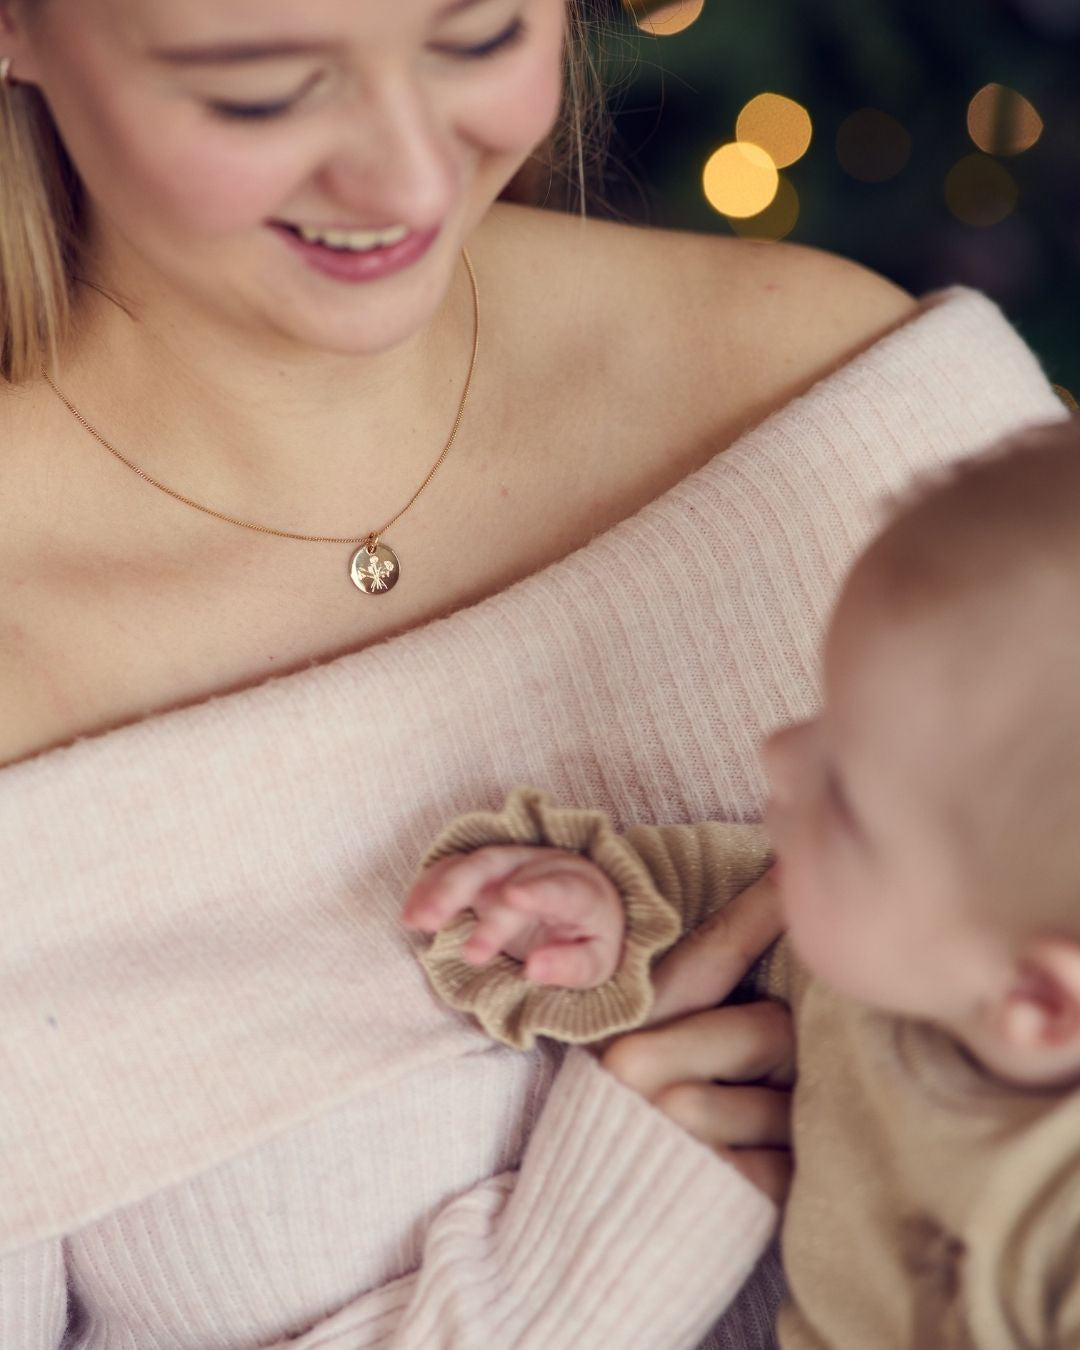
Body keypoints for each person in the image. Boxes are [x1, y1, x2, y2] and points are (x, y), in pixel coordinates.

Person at [0, 0, 1065, 1344]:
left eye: (478, 36)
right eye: (261, 90)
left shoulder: (844, 406)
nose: (402, 176)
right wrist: (568, 1285)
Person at [405, 418, 1080, 1347]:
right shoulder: (868, 948)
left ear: (1040, 1001)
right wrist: (596, 915)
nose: (775, 752)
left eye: (843, 791)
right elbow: (706, 915)